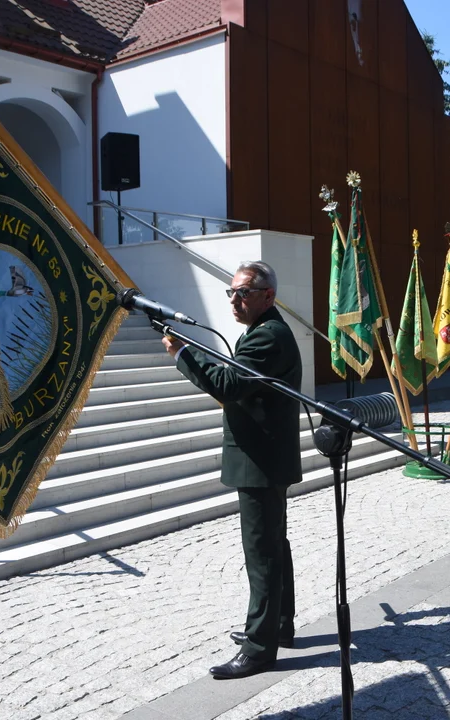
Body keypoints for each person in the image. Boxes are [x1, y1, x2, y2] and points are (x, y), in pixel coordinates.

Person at [163, 261, 302, 679]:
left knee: (262, 553)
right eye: (231, 293)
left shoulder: (267, 337)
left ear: (267, 296)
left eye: (243, 292)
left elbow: (227, 386)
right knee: (274, 546)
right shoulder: (262, 333)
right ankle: (279, 626)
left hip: (260, 462)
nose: (235, 300)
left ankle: (260, 649)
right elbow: (235, 380)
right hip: (265, 459)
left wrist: (182, 354)